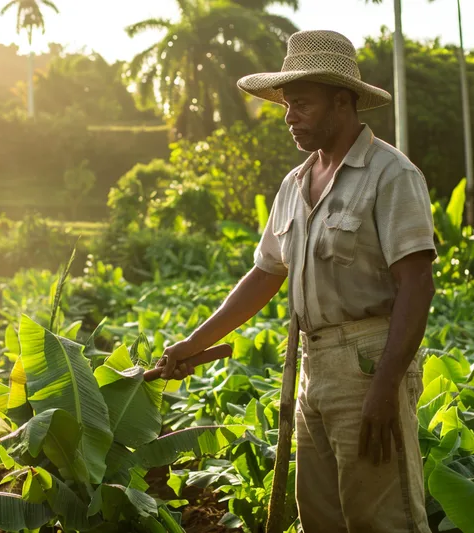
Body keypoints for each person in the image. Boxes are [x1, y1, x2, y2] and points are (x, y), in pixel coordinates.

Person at [157, 30, 437, 533]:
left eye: (302, 104)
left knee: (381, 518)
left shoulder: (390, 174)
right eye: (287, 105)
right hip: (311, 365)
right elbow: (266, 273)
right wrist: (194, 342)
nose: (289, 117)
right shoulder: (294, 184)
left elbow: (417, 284)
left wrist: (386, 386)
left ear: (343, 102)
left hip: (370, 364)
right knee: (321, 518)